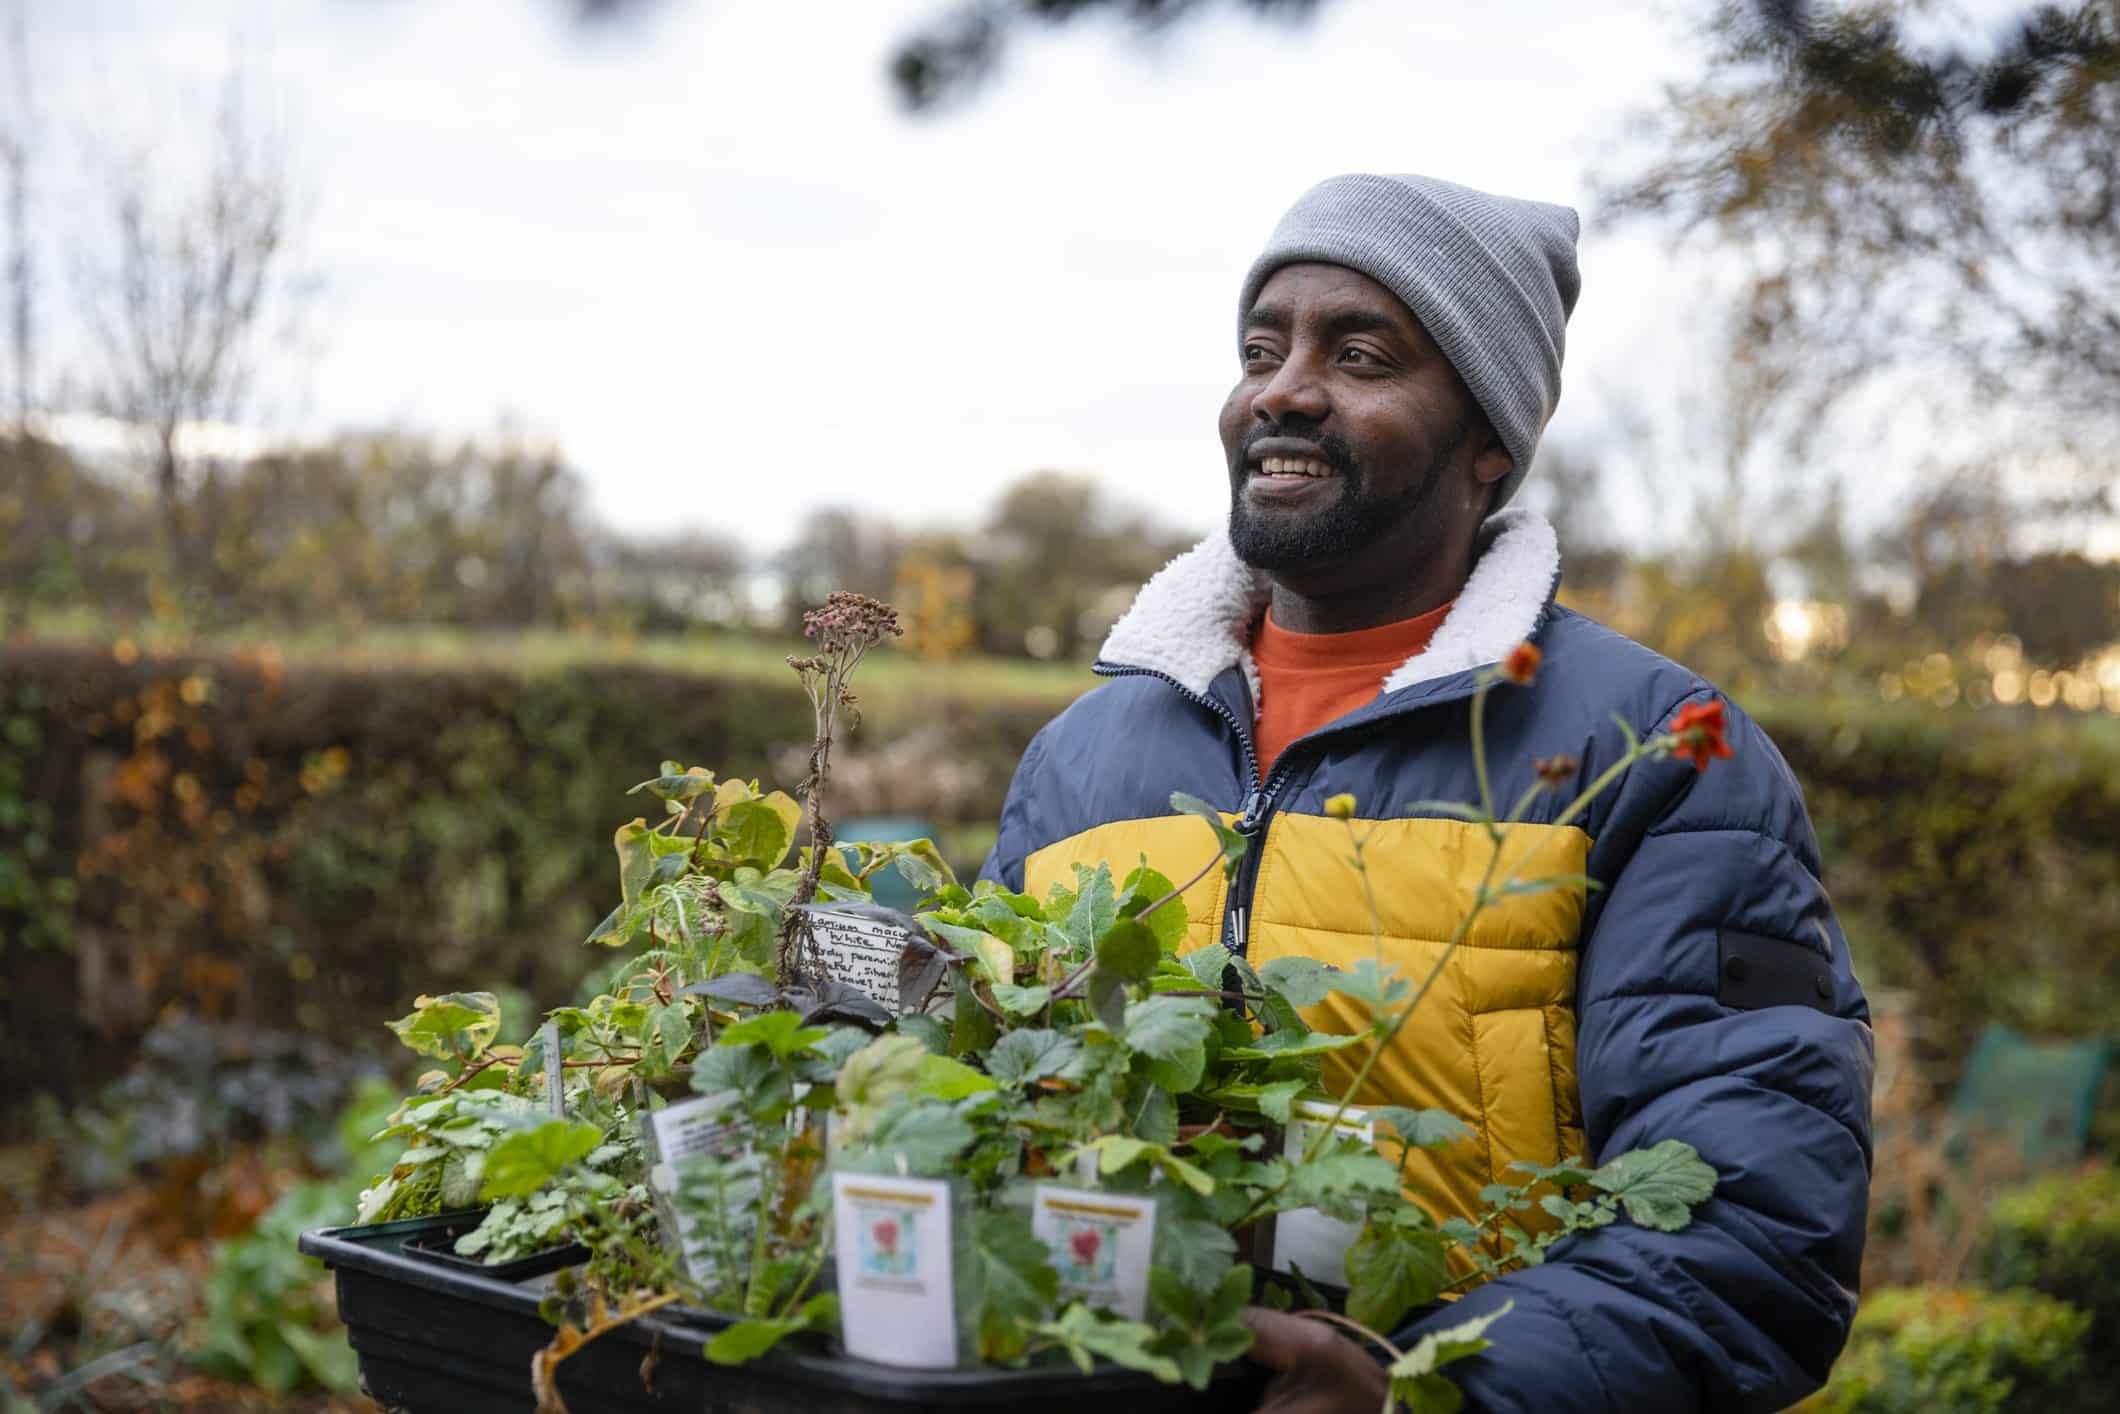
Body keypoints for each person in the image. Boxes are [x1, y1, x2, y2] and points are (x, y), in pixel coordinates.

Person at [978, 173, 1874, 1412]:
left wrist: (1418, 1388)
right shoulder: (1084, 755)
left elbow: (1754, 1237)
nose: (1284, 388)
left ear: (1487, 440)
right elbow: (976, 1114)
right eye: (1261, 347)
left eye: (1358, 354)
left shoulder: (1665, 756)